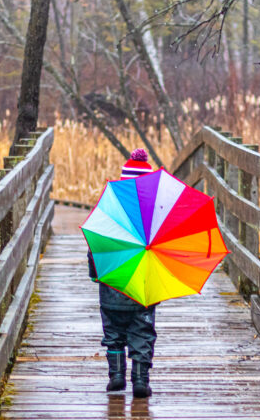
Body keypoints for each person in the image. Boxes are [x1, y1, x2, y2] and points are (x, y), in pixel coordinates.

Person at [87, 148, 156, 398]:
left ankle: (116, 376)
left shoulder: (110, 212)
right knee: (142, 334)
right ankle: (140, 380)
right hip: (143, 291)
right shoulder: (155, 214)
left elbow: (95, 244)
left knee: (114, 334)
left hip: (111, 288)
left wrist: (95, 273)